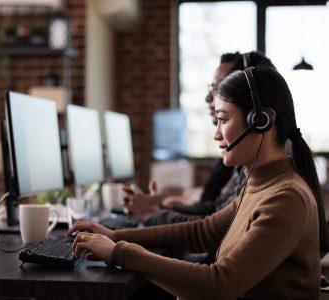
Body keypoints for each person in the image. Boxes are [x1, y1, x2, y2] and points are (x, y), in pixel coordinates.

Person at [69, 65, 328, 299]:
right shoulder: (260, 184)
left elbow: (220, 284)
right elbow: (202, 232)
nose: (216, 134)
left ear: (260, 121)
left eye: (223, 119)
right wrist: (114, 235)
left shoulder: (286, 198)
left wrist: (119, 252)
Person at [124, 51, 274, 226]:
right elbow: (215, 213)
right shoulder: (246, 163)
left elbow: (210, 229)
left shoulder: (273, 185)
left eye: (219, 88)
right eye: (212, 87)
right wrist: (161, 207)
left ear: (256, 117)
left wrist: (154, 213)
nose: (208, 97)